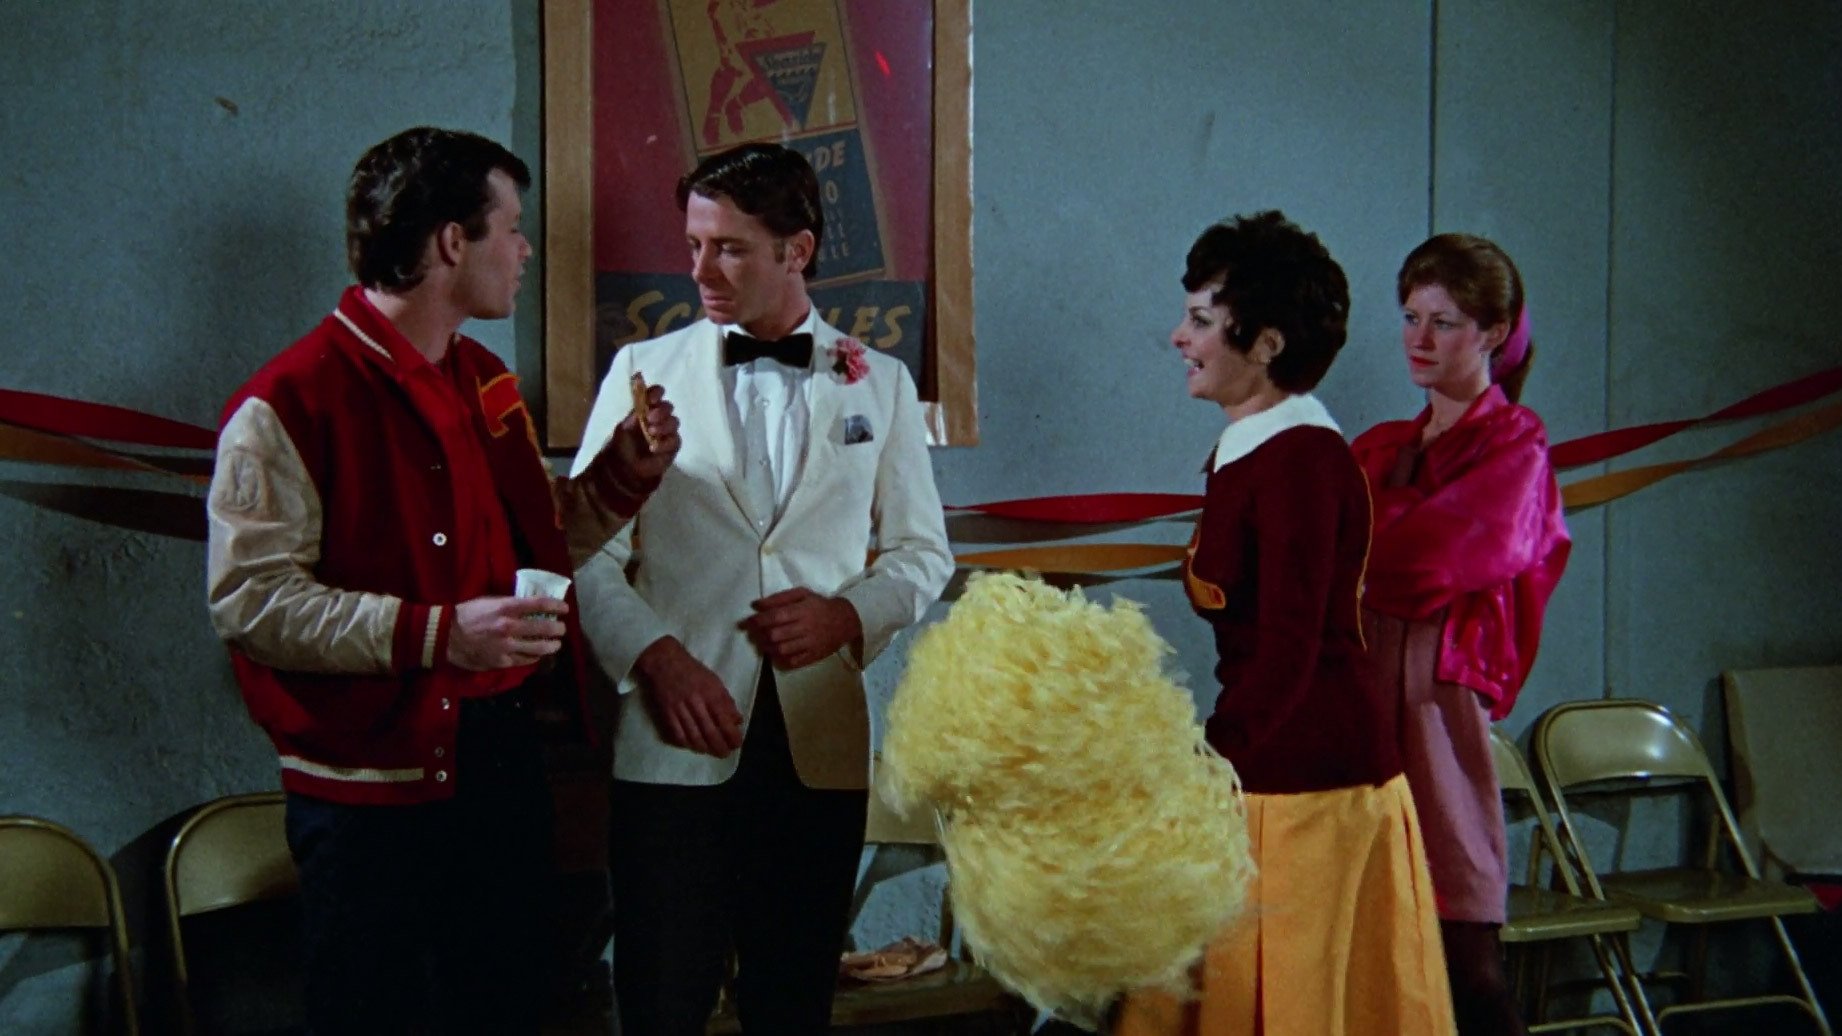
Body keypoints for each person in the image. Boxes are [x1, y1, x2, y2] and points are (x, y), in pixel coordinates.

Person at [204, 126, 681, 1036]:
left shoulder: (484, 380)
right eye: (513, 226)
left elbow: (540, 541)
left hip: (501, 768)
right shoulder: (289, 402)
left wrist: (622, 477)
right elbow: (251, 601)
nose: (526, 249)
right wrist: (439, 634)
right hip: (369, 798)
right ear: (452, 242)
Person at [569, 141, 953, 1034]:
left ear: (797, 250)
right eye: (694, 245)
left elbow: (921, 553)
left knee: (793, 1005)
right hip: (675, 736)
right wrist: (657, 659)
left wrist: (847, 615)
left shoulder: (881, 383)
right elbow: (583, 552)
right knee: (662, 1002)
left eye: (729, 248)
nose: (700, 269)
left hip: (816, 743)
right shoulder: (640, 373)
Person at [1115, 211, 1456, 1036]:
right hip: (1273, 763)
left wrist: (1214, 762)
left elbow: (1290, 647)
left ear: (1266, 343)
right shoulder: (1258, 447)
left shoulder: (1299, 459)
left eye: (1201, 320)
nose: (1179, 337)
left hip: (1309, 783)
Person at [1351, 233, 1571, 1035]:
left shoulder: (1516, 441)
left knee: (1463, 939)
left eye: (1443, 322)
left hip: (1438, 694)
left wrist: (1373, 530)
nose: (1419, 338)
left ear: (1492, 332)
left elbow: (1434, 558)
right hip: (1362, 682)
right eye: (1411, 317)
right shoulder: (1383, 445)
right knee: (1366, 932)